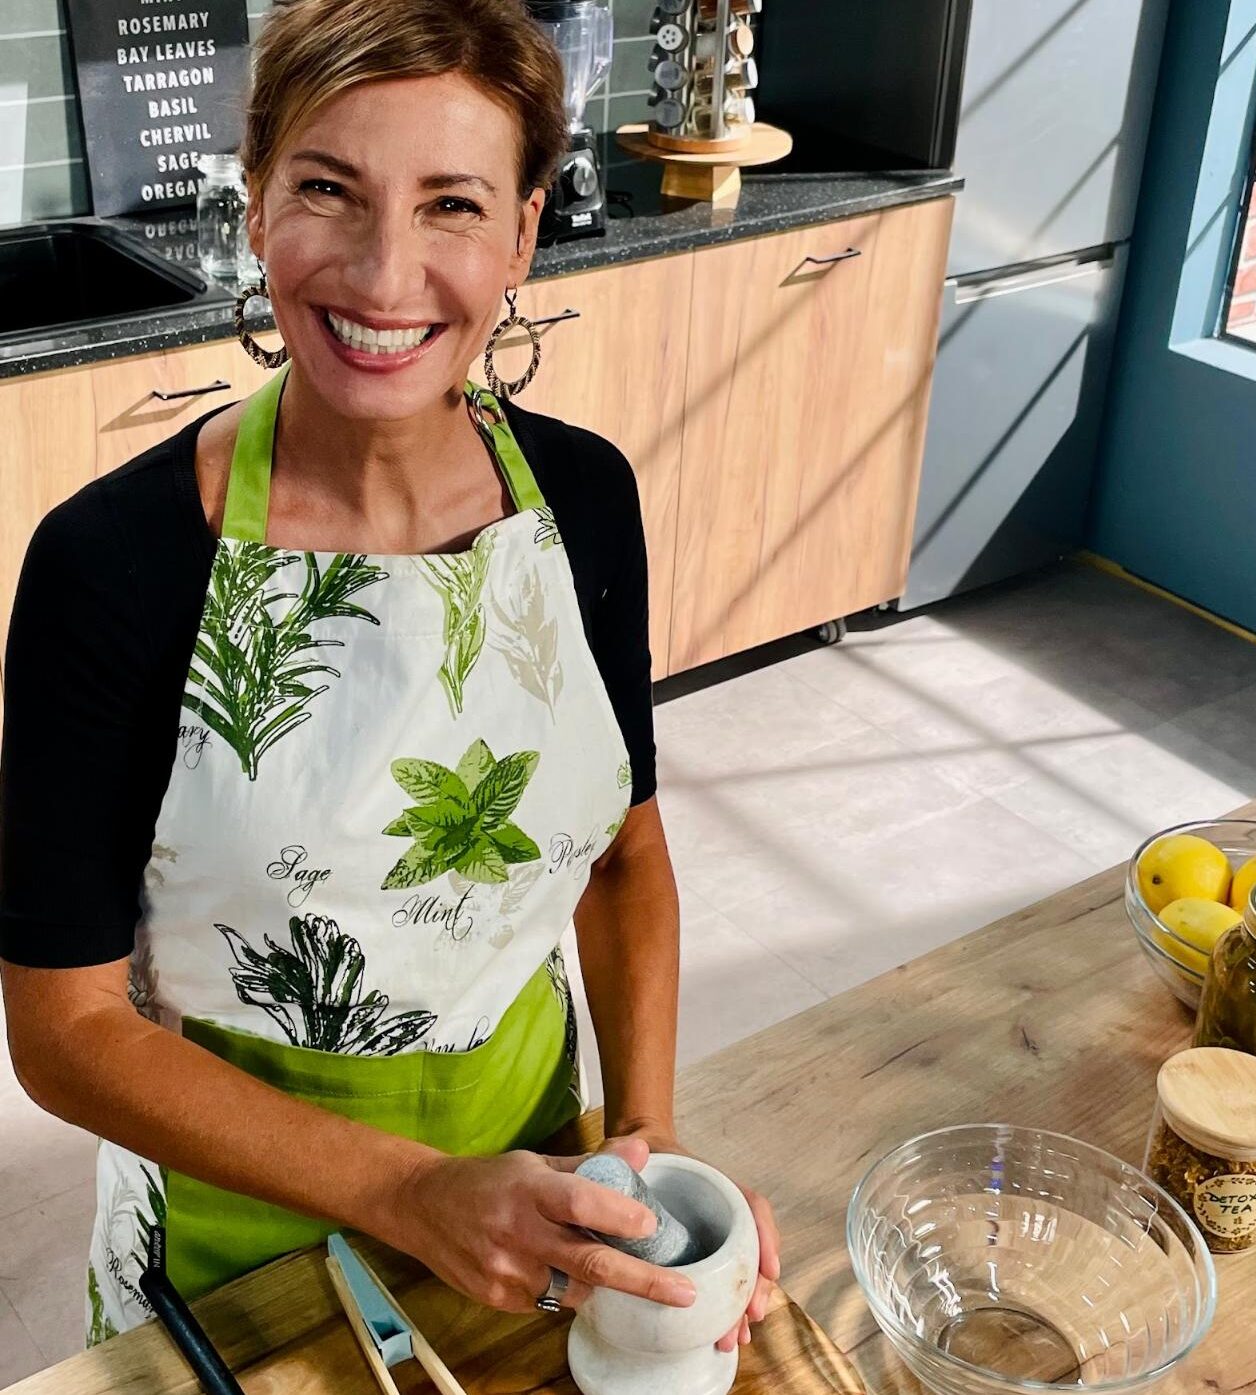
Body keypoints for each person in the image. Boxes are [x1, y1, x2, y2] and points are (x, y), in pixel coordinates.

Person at [0, 0, 778, 1348]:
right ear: (254, 206)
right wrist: (416, 1194)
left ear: (524, 231)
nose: (383, 273)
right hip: (230, 1241)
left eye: (453, 206)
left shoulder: (583, 504)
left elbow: (622, 862)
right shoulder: (112, 565)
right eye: (328, 190)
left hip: (543, 1195)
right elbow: (62, 1027)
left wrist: (646, 1154)